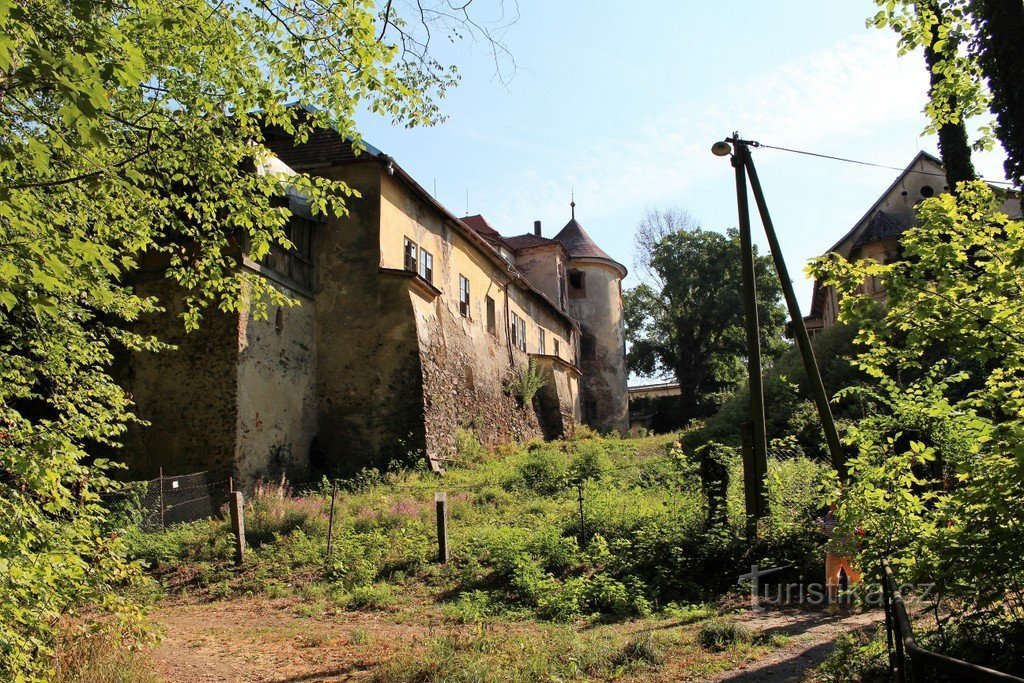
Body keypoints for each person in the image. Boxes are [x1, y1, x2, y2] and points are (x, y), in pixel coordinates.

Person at [819, 503, 862, 605]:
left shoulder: (849, 514)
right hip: (833, 551)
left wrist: (847, 540)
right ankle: (833, 606)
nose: (830, 504)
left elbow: (857, 531)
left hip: (849, 551)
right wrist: (822, 527)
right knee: (830, 578)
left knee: (855, 578)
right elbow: (829, 533)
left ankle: (859, 604)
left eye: (832, 502)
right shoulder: (829, 515)